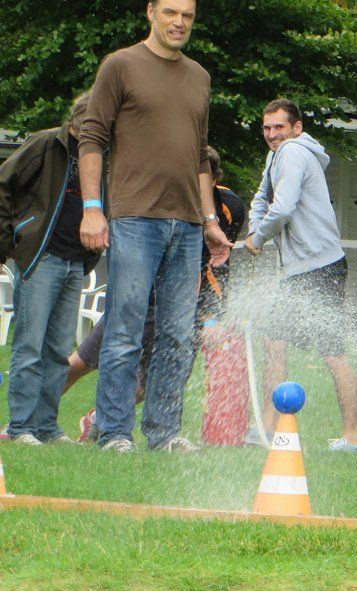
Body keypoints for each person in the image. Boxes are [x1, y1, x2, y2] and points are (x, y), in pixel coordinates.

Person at [78, 0, 232, 453]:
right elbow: (92, 138)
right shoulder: (120, 66)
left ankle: (164, 434)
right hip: (133, 220)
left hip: (186, 227)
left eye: (187, 15)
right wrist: (92, 208)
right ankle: (115, 433)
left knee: (178, 334)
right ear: (150, 12)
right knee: (124, 330)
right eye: (170, 12)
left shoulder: (199, 76)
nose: (179, 22)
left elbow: (200, 155)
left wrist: (209, 220)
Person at [67, 147, 245, 443]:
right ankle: (35, 418)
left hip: (183, 309)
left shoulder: (230, 208)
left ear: (212, 182)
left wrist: (212, 314)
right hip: (141, 300)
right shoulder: (163, 200)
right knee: (80, 363)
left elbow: (217, 267)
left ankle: (97, 420)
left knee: (146, 386)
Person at [244, 98, 357, 452]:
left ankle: (351, 437)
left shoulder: (294, 152)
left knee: (331, 352)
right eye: (266, 128)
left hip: (321, 266)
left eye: (279, 127)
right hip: (294, 270)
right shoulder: (274, 158)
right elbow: (262, 201)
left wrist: (259, 237)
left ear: (296, 128)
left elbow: (283, 207)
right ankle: (266, 427)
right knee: (274, 342)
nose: (272, 134)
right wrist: (254, 231)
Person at [0, 91, 106, 445]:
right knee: (29, 345)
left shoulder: (101, 155)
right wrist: (13, 237)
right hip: (41, 257)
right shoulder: (47, 144)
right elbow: (4, 183)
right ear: (80, 118)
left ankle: (46, 426)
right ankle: (20, 428)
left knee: (59, 350)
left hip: (76, 261)